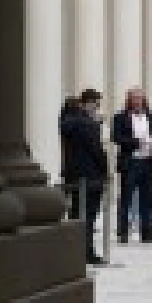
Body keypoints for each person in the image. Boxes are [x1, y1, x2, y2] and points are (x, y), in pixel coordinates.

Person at [58, 89, 109, 266]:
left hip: (73, 174)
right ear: (88, 103)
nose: (97, 108)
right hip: (91, 175)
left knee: (75, 214)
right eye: (96, 104)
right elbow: (96, 150)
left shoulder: (66, 123)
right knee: (88, 216)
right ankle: (87, 252)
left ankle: (71, 251)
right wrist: (105, 169)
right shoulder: (87, 123)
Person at [110, 87, 152, 245]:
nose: (138, 102)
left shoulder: (151, 117)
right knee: (126, 198)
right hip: (130, 162)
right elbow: (116, 137)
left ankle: (147, 232)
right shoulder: (120, 117)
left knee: (147, 198)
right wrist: (138, 142)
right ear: (129, 100)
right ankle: (123, 232)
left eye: (140, 98)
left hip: (148, 161)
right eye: (135, 98)